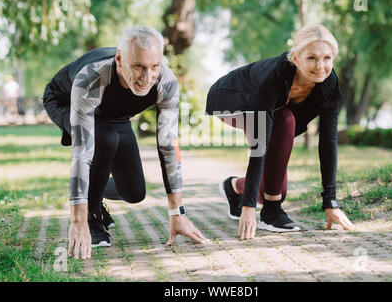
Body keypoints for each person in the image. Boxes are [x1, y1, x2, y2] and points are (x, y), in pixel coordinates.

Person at [43, 25, 208, 259]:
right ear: (120, 59)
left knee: (134, 192)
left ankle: (91, 190)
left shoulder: (166, 83)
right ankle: (92, 216)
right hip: (66, 101)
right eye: (138, 66)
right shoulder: (93, 77)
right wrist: (77, 220)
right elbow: (82, 154)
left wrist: (177, 212)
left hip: (114, 115)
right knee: (104, 140)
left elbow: (169, 147)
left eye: (154, 66)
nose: (146, 77)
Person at [206, 24, 357, 240]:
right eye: (312, 58)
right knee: (285, 120)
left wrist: (330, 202)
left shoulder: (329, 86)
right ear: (296, 59)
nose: (321, 66)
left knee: (273, 188)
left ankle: (233, 187)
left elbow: (328, 142)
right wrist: (250, 208)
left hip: (271, 113)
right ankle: (270, 213)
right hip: (231, 98)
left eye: (327, 58)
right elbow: (261, 144)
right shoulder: (276, 78)